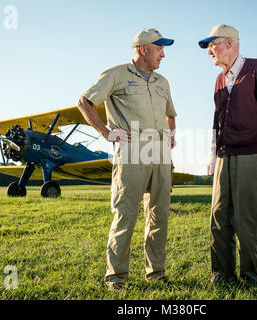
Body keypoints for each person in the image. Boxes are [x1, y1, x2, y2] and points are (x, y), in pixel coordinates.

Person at [77, 28, 177, 291]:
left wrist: (171, 133)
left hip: (160, 152)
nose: (163, 54)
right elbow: (84, 102)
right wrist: (106, 132)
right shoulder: (116, 74)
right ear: (143, 49)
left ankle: (156, 273)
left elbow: (171, 113)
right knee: (126, 214)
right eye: (159, 49)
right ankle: (116, 278)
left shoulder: (162, 81)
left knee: (159, 215)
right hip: (132, 150)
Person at [198, 24, 257, 288]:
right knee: (218, 216)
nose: (209, 52)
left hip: (251, 154)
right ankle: (221, 275)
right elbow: (217, 120)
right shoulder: (219, 79)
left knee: (245, 218)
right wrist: (214, 154)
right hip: (224, 154)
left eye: (212, 45)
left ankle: (250, 278)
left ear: (229, 43)